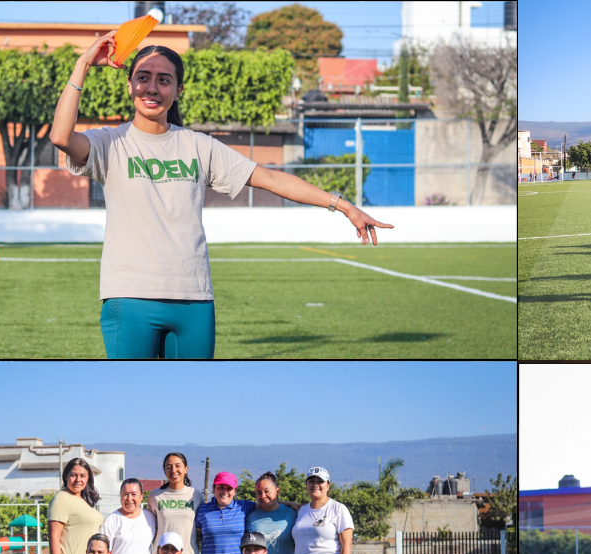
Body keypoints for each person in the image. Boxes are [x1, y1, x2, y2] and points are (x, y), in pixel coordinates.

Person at [49, 39, 392, 358]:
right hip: (129, 295)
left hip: (194, 299)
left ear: (178, 90)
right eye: (143, 77)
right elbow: (61, 136)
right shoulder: (110, 143)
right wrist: (83, 63)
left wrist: (343, 204)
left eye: (164, 80)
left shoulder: (199, 145)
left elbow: (271, 179)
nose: (152, 88)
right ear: (129, 85)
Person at [50, 458, 104, 554]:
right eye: (73, 475)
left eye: (83, 475)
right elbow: (54, 537)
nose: (78, 479)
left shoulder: (84, 500)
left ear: (88, 479)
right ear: (66, 476)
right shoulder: (62, 499)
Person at [148, 453, 204, 554]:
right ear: (165, 471)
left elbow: (201, 526)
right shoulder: (155, 496)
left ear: (186, 469)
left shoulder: (196, 495)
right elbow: (149, 525)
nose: (173, 470)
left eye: (177, 466)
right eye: (168, 467)